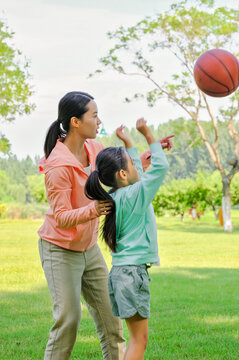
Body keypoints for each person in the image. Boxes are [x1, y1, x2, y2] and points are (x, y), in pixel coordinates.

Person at [38, 91, 126, 359]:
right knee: (68, 320)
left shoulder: (94, 149)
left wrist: (146, 157)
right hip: (60, 250)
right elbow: (62, 215)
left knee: (112, 320)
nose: (99, 121)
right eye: (94, 115)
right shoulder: (57, 165)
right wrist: (93, 210)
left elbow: (119, 168)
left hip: (88, 248)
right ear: (76, 122)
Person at [85, 118, 170, 360]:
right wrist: (148, 133)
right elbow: (160, 167)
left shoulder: (117, 196)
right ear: (122, 173)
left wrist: (129, 142)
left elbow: (137, 174)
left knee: (135, 339)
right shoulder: (137, 194)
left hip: (121, 274)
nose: (136, 165)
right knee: (139, 341)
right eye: (132, 163)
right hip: (132, 275)